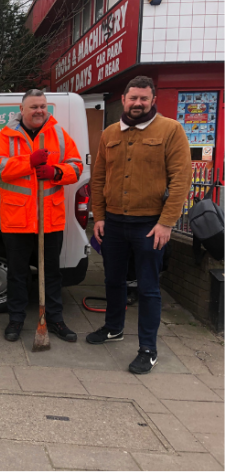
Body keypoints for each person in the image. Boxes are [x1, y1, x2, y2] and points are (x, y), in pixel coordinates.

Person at [88, 76, 192, 374]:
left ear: (152, 100)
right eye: (133, 98)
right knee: (113, 280)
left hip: (150, 225)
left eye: (143, 99)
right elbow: (98, 178)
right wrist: (100, 217)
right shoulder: (110, 133)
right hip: (114, 223)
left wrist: (166, 223)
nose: (137, 104)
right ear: (124, 100)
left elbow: (181, 179)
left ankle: (148, 348)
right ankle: (113, 328)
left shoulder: (171, 130)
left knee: (148, 288)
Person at [0, 89, 83, 344]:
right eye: (33, 107)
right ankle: (16, 319)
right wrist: (29, 161)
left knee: (51, 273)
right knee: (17, 274)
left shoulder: (59, 134)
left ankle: (55, 320)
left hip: (49, 219)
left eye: (42, 106)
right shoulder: (6, 137)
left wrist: (55, 171)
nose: (39, 110)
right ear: (22, 110)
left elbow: (76, 167)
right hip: (17, 219)